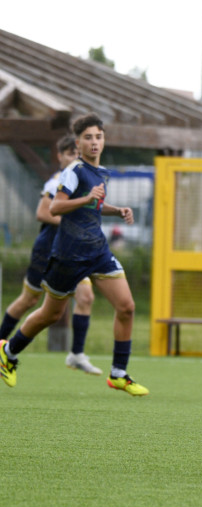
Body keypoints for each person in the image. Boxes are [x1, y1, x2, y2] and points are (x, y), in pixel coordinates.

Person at [0, 113, 149, 396]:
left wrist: (115, 209)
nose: (94, 142)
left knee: (127, 307)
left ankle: (119, 373)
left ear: (104, 140)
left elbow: (92, 206)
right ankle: (9, 351)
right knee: (49, 314)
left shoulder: (100, 172)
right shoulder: (73, 171)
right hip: (69, 255)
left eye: (98, 136)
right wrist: (88, 198)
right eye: (88, 138)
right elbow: (55, 208)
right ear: (78, 143)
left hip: (98, 251)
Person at [0, 135, 101, 375]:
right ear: (60, 157)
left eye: (76, 154)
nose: (74, 158)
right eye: (68, 154)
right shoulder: (57, 181)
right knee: (29, 300)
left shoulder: (83, 183)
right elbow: (42, 213)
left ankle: (76, 354)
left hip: (71, 253)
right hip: (47, 250)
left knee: (86, 297)